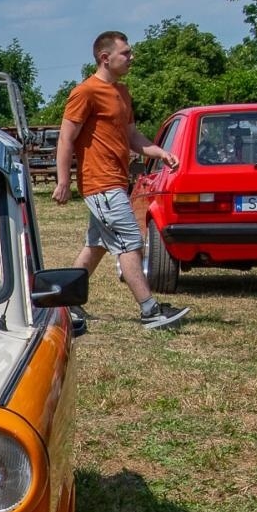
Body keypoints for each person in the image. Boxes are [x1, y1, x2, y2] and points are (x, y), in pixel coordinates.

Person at [53, 30, 189, 330]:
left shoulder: (123, 92)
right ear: (105, 58)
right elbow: (66, 138)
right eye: (125, 53)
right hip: (99, 183)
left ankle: (63, 301)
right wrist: (63, 180)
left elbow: (131, 137)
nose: (131, 57)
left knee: (97, 245)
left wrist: (161, 153)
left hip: (116, 181)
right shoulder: (85, 92)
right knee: (130, 243)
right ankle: (150, 310)